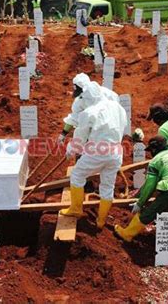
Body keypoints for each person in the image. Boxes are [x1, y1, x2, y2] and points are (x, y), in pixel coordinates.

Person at [60, 82, 128, 229]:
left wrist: (70, 151)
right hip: (116, 151)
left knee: (77, 175)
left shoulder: (89, 112)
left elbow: (80, 137)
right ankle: (101, 221)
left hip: (98, 151)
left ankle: (76, 209)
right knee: (107, 186)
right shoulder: (118, 108)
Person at [58, 73, 91, 145]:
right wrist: (63, 134)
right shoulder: (104, 93)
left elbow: (74, 119)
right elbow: (74, 118)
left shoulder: (81, 101)